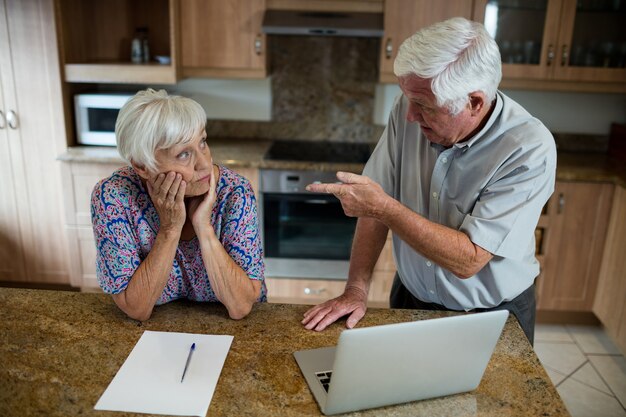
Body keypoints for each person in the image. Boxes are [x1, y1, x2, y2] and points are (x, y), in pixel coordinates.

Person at [301, 17, 556, 344]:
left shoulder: (529, 148)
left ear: (474, 103)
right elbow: (375, 199)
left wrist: (385, 209)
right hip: (410, 300)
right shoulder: (407, 110)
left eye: (423, 105)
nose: (410, 115)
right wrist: (355, 289)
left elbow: (469, 258)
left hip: (492, 315)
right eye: (408, 99)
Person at [91, 89, 266, 321]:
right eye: (183, 154)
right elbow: (136, 309)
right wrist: (169, 229)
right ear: (142, 166)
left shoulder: (234, 192)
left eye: (202, 142)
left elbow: (240, 307)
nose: (204, 164)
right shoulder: (113, 198)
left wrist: (204, 228)